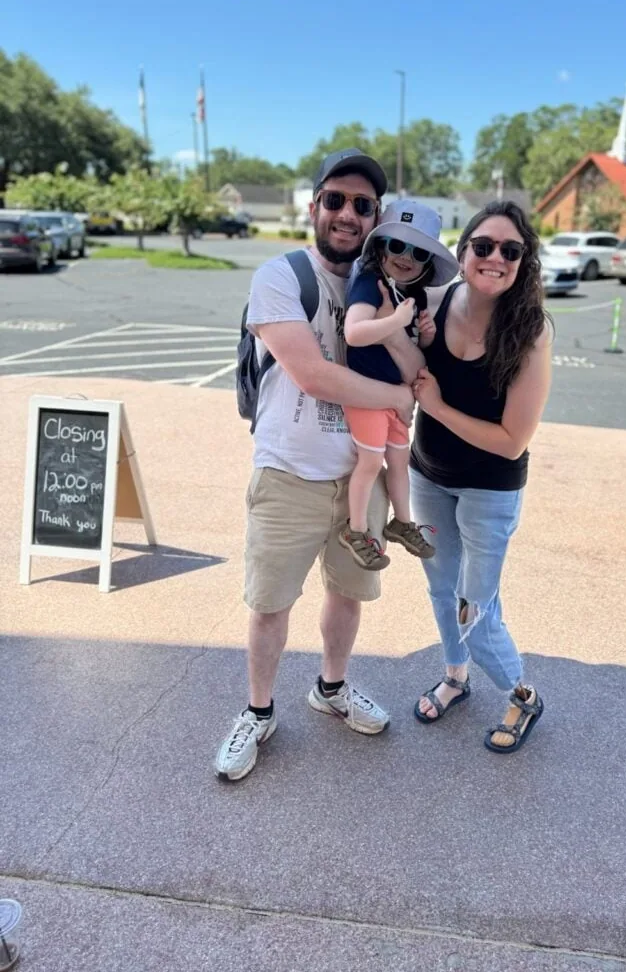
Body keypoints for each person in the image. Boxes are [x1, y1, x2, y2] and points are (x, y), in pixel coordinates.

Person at [215, 149, 421, 782]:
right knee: (271, 603)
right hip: (288, 472)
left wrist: (400, 341)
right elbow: (312, 374)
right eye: (335, 200)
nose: (347, 214)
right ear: (314, 207)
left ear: (376, 217)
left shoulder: (385, 283)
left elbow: (420, 363)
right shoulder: (281, 277)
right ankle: (258, 711)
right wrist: (397, 398)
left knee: (348, 592)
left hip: (358, 474)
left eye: (363, 205)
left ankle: (331, 688)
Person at [409, 200, 553, 754]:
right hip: (428, 476)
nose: (495, 258)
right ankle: (455, 677)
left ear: (523, 263)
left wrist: (438, 407)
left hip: (490, 488)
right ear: (464, 251)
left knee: (476, 605)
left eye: (510, 251)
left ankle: (522, 692)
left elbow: (513, 439)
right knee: (441, 589)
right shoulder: (436, 304)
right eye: (484, 246)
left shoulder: (531, 332)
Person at [339, 200, 459, 571]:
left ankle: (402, 522)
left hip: (395, 399)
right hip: (368, 393)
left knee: (399, 461)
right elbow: (355, 333)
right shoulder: (370, 285)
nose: (406, 257)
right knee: (371, 461)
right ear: (380, 247)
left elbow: (412, 352)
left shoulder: (415, 295)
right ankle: (355, 529)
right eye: (397, 245)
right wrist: (396, 320)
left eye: (419, 251)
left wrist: (423, 335)